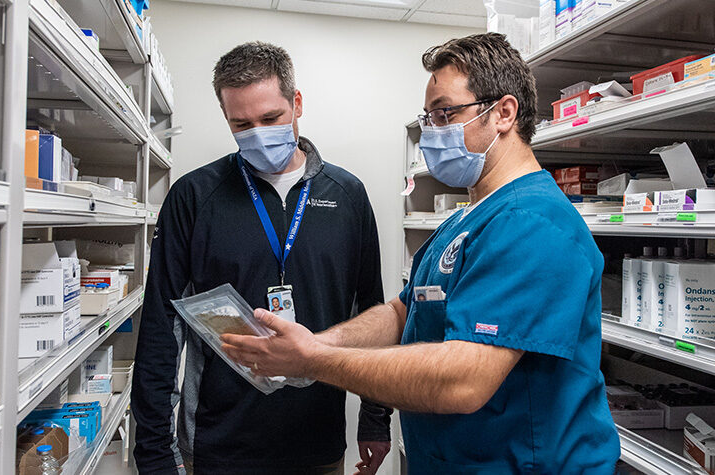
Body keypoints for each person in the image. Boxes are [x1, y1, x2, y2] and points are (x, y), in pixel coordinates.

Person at [222, 33, 621, 473]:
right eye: (428, 117)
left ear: (504, 113)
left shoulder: (532, 223)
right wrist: (319, 341)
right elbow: (402, 312)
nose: (432, 131)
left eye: (445, 113)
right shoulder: (465, 219)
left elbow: (464, 381)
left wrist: (314, 360)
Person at [132, 41, 392, 475]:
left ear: (297, 103)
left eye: (270, 118)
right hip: (219, 444)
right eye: (241, 124)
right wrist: (154, 450)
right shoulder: (195, 197)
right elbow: (162, 324)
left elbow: (372, 312)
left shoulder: (347, 196)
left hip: (318, 442)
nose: (257, 134)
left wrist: (376, 417)